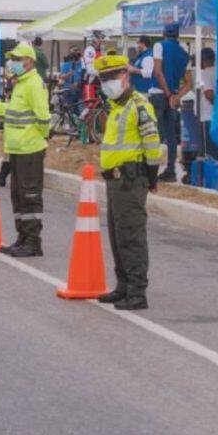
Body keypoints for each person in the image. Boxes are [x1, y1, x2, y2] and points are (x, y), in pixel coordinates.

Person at [94, 54, 162, 311]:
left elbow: (152, 144)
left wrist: (152, 177)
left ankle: (136, 291)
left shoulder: (139, 105)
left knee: (131, 235)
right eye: (103, 79)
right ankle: (122, 286)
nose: (107, 83)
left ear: (125, 76)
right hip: (115, 181)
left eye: (111, 77)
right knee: (117, 234)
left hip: (132, 179)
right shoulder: (117, 108)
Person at [0, 42, 50, 257]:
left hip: (30, 148)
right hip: (17, 148)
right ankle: (22, 237)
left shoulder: (34, 83)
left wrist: (40, 136)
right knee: (18, 195)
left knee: (30, 195)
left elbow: (43, 117)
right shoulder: (21, 84)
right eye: (12, 59)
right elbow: (16, 112)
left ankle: (33, 241)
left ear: (29, 61)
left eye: (17, 59)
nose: (12, 63)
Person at [150, 23, 189, 182]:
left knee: (152, 134)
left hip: (159, 95)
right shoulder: (184, 53)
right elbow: (188, 83)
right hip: (172, 98)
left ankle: (150, 170)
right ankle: (170, 171)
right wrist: (175, 96)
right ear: (177, 35)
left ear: (164, 33)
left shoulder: (159, 46)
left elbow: (158, 72)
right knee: (171, 136)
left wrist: (167, 93)